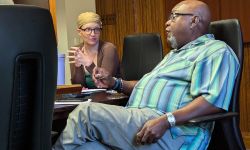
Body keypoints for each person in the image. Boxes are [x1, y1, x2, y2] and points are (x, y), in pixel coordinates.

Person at [53, 0, 240, 149]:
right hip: (139, 123)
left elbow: (212, 101)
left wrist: (167, 120)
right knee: (86, 147)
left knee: (86, 114)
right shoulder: (175, 55)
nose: (167, 22)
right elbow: (144, 85)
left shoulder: (215, 51)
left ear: (194, 20)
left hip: (173, 133)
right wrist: (115, 83)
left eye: (174, 16)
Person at [68, 12, 120, 89]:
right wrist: (78, 66)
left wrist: (89, 64)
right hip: (89, 98)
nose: (93, 34)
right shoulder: (76, 50)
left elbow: (105, 82)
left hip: (111, 96)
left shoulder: (109, 48)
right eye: (88, 29)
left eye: (97, 29)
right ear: (79, 32)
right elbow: (77, 85)